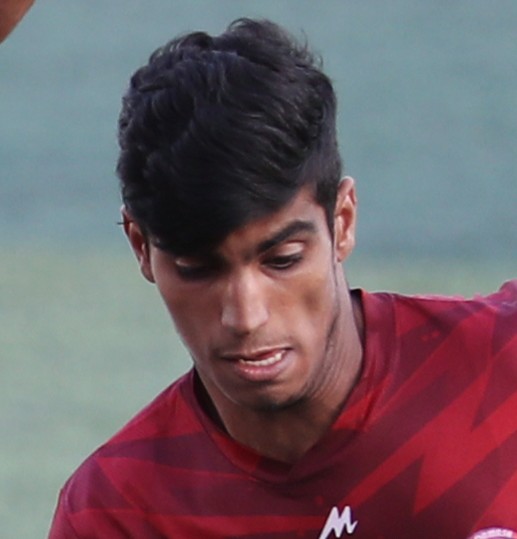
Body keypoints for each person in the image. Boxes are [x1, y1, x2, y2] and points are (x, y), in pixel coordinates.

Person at [48, 18, 517, 539]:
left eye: (283, 260)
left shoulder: (505, 367)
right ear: (140, 246)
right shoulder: (116, 516)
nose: (246, 316)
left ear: (342, 221)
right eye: (198, 269)